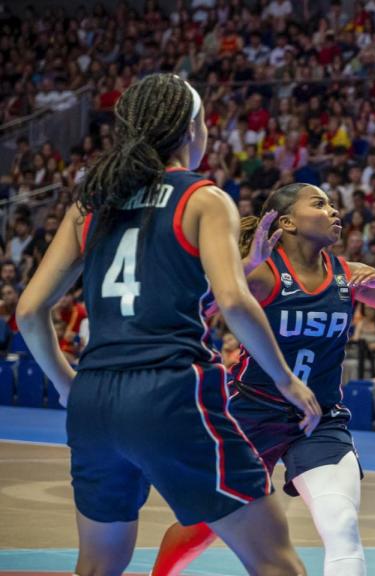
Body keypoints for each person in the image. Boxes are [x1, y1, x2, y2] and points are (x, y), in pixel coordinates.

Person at [15, 73, 317, 576]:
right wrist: (286, 381)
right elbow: (234, 302)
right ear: (190, 129)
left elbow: (28, 310)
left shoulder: (91, 203)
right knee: (276, 563)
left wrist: (68, 384)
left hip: (95, 401)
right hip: (173, 393)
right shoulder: (202, 197)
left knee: (96, 567)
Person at [151, 183, 375, 576]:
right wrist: (244, 269)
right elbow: (194, 308)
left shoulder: (346, 275)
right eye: (320, 204)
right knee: (204, 524)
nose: (334, 210)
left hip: (319, 419)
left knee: (341, 525)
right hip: (251, 412)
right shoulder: (264, 273)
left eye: (333, 203)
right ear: (287, 222)